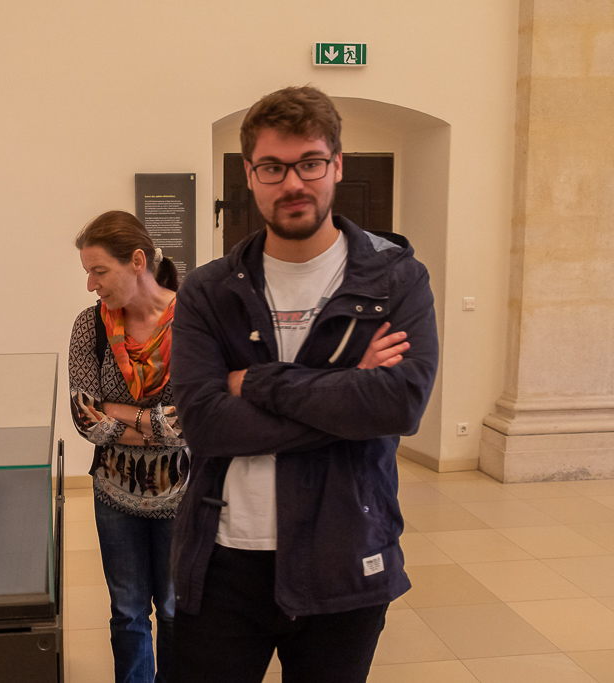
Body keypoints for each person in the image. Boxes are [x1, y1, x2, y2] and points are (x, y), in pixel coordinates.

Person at [169, 86, 439, 683]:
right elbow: (205, 423)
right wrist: (347, 391)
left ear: (336, 165)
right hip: (223, 561)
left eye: (310, 163)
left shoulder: (396, 281)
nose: (293, 183)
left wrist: (254, 383)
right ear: (250, 174)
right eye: (272, 167)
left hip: (344, 555)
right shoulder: (209, 291)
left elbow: (398, 404)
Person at [69, 210, 190, 683]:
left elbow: (193, 420)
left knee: (176, 610)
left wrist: (119, 411)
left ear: (137, 261)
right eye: (88, 273)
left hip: (180, 494)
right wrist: (155, 421)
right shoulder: (90, 326)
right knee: (127, 612)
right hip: (114, 492)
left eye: (99, 271)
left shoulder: (192, 320)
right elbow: (85, 416)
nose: (91, 285)